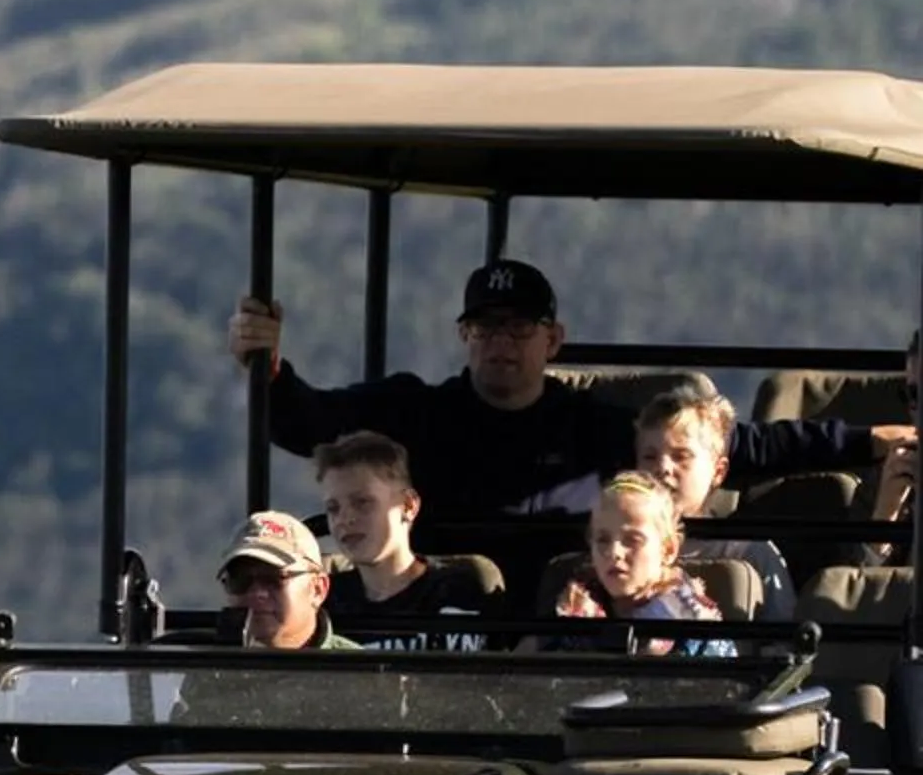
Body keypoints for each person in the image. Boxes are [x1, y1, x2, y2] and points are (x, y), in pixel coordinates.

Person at [226, 261, 907, 514]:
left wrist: (868, 442)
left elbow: (745, 448)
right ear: (464, 335)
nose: (502, 341)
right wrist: (269, 364)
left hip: (559, 622)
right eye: (486, 327)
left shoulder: (595, 427)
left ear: (553, 340)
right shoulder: (416, 411)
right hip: (442, 617)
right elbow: (307, 425)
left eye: (520, 327)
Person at [628, 376, 793, 617]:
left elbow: (784, 643)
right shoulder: (617, 548)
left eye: (681, 456)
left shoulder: (751, 555)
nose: (662, 468)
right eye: (649, 457)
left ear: (717, 472)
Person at [314, 431, 498, 645]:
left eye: (362, 502)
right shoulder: (324, 606)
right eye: (333, 508)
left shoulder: (464, 586)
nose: (344, 519)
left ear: (408, 505)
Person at [542, 474, 732, 657]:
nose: (614, 552)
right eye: (602, 540)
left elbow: (721, 686)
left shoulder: (693, 625)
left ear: (667, 550)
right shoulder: (571, 610)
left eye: (632, 540)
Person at [219, 510, 357, 651]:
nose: (257, 593)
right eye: (240, 580)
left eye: (273, 578)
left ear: (317, 589)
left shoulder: (361, 668)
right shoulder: (202, 663)